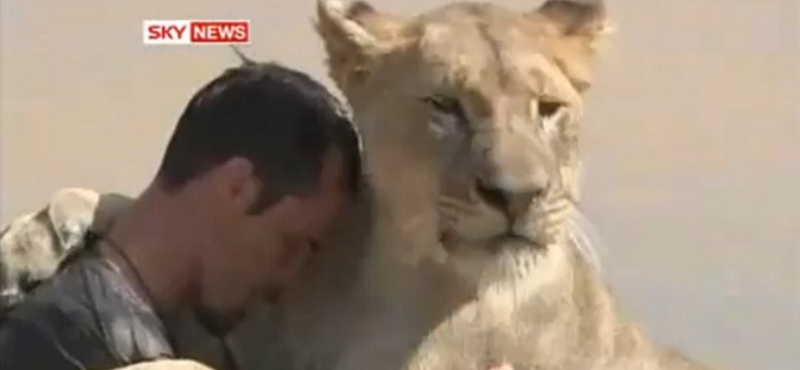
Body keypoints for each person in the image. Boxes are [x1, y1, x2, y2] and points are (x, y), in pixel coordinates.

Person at [0, 60, 361, 370]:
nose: (286, 281)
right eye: (291, 244)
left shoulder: (57, 296)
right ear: (238, 188)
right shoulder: (95, 341)